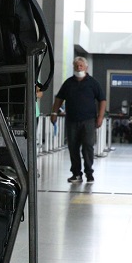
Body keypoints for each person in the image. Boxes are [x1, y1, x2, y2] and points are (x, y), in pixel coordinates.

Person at [50, 56, 106, 184]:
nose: (78, 67)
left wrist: (100, 117)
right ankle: (76, 174)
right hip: (72, 120)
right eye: (76, 65)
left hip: (89, 121)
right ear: (73, 67)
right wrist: (54, 112)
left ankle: (89, 173)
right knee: (73, 147)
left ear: (86, 67)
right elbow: (59, 99)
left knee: (88, 146)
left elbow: (102, 100)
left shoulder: (93, 83)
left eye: (81, 65)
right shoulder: (68, 83)